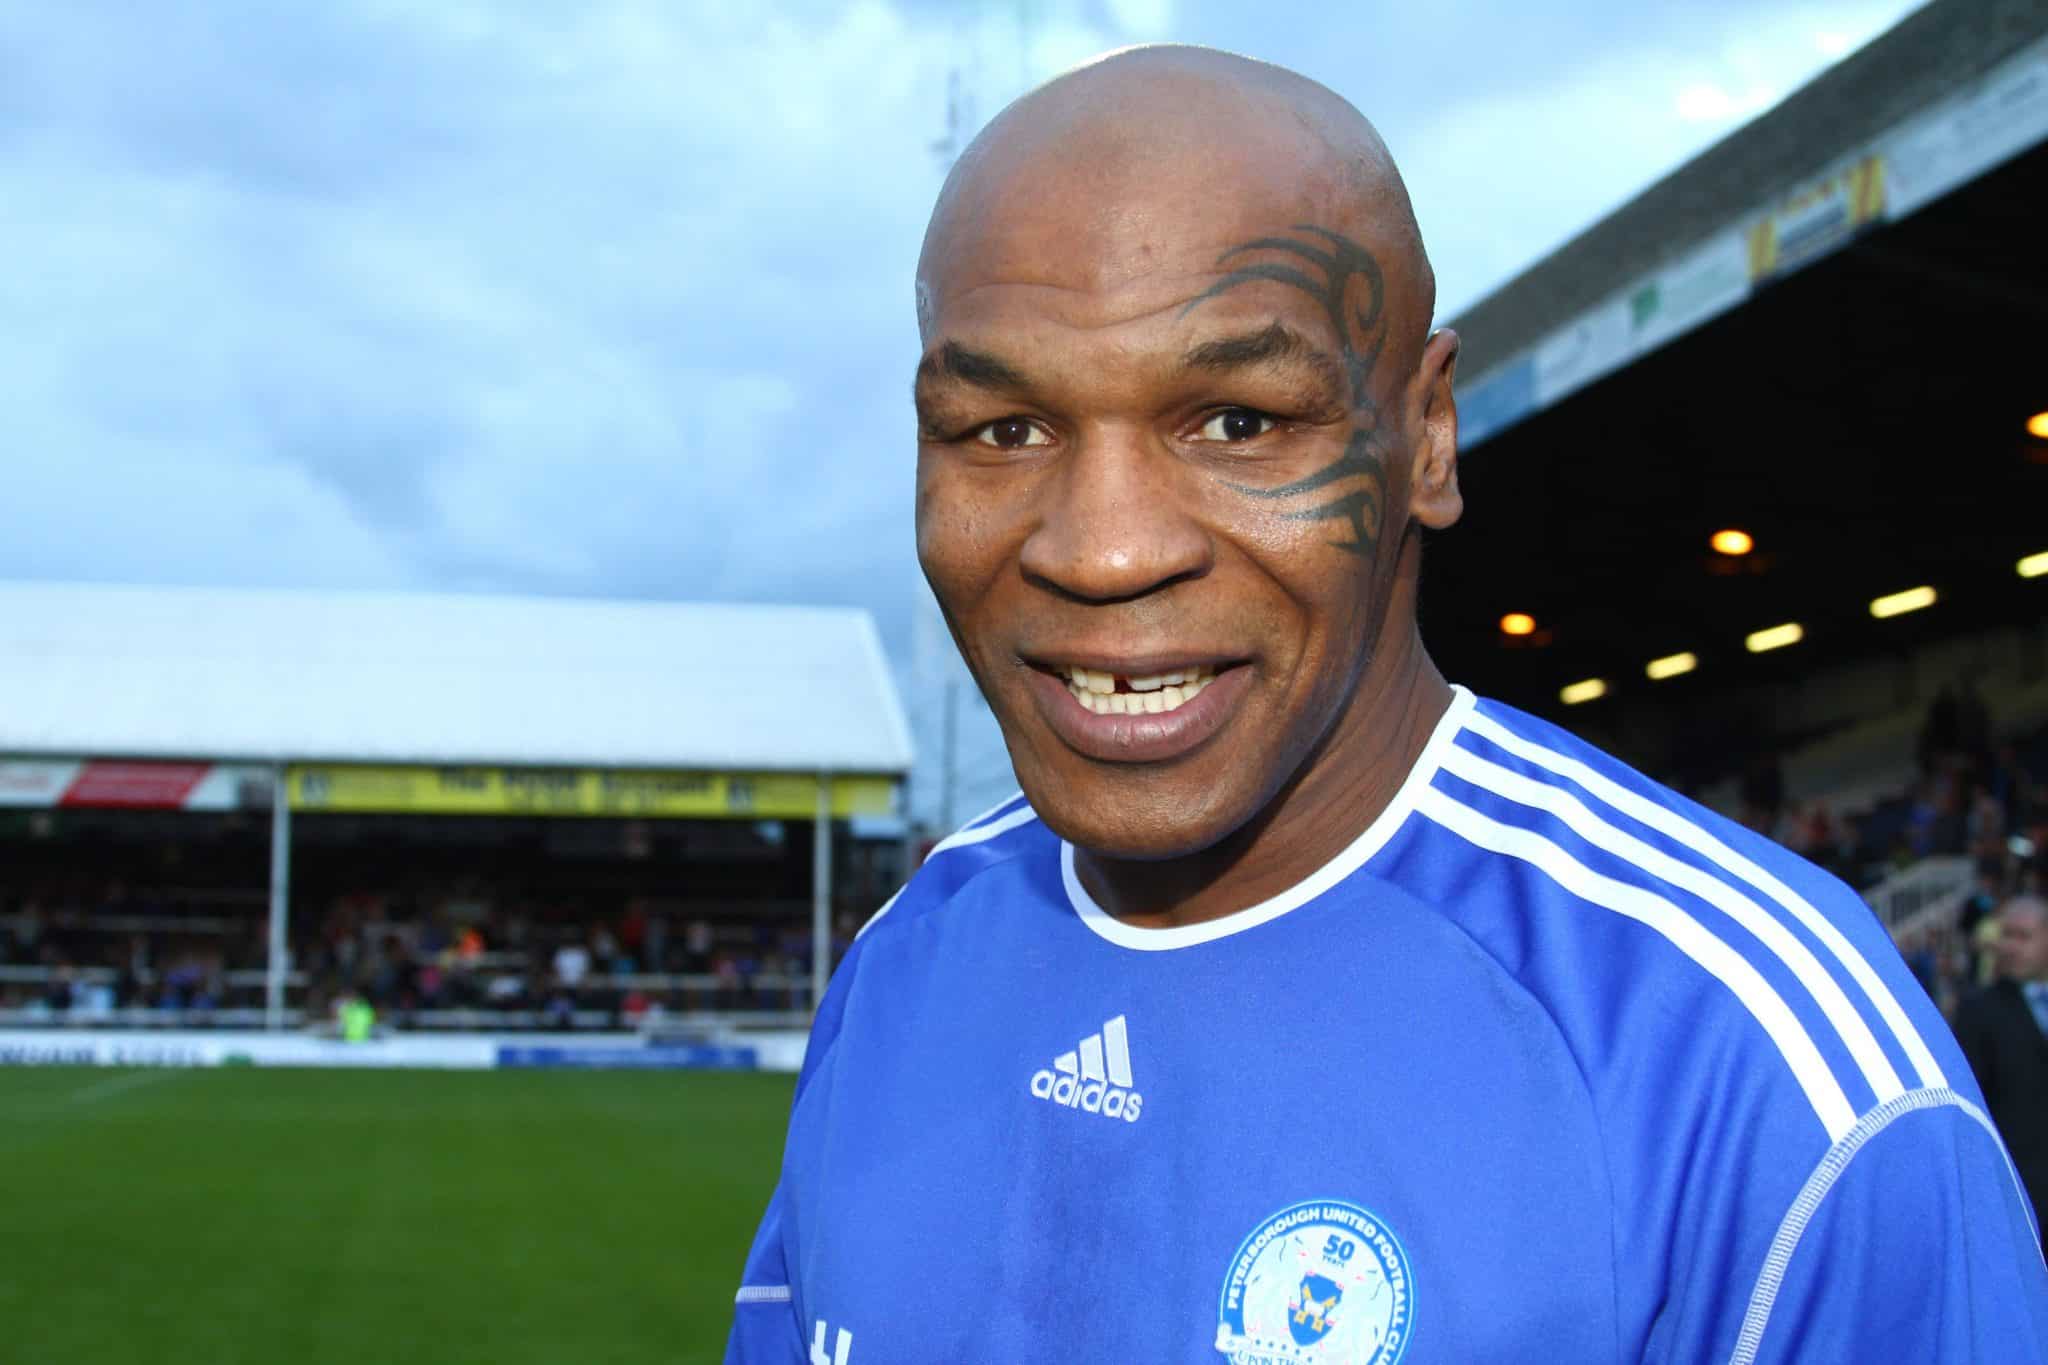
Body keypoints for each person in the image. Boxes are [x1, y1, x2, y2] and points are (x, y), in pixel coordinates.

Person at [727, 46, 2048, 1363]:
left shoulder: (1753, 1073)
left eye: (1238, 420)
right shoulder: (903, 967)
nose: (1103, 549)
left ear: (1424, 436)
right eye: (1004, 430)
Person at [1955, 896, 2048, 1235]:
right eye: (2006, 935)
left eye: (2023, 936)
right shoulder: (1977, 1010)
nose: (2009, 946)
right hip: (2018, 1193)